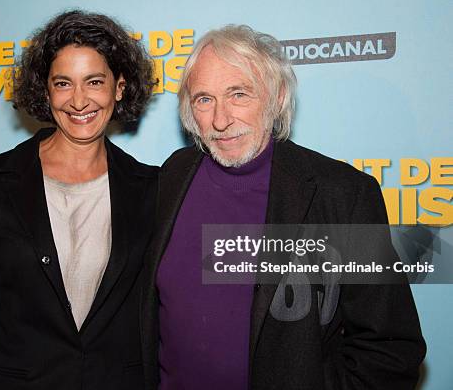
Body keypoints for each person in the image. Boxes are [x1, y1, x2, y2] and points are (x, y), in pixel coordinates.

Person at [141, 25, 426, 389]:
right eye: (204, 99)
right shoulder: (173, 176)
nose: (220, 120)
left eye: (239, 94)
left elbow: (390, 348)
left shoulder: (341, 194)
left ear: (277, 97)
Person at [0, 10, 157, 389]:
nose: (78, 101)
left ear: (119, 87)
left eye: (94, 81)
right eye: (62, 83)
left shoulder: (151, 186)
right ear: (45, 90)